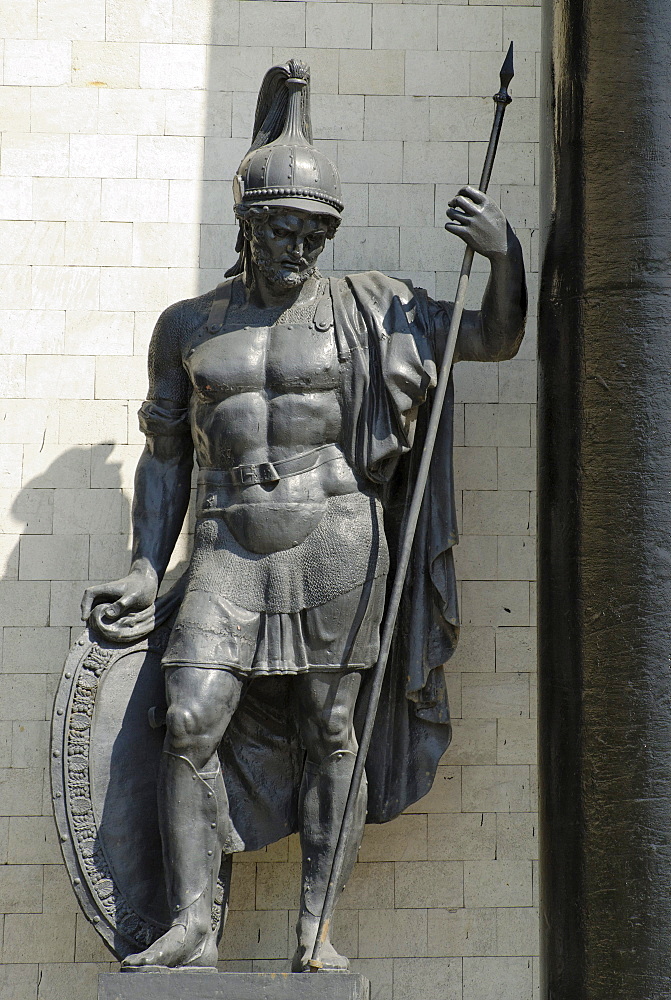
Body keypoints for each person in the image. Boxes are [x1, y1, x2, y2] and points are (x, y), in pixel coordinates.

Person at [81, 60, 526, 972]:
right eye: (283, 229)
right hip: (225, 546)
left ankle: (315, 929)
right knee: (190, 717)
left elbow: (493, 337)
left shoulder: (371, 308)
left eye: (315, 234)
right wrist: (141, 561)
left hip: (336, 542)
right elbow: (167, 458)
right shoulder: (189, 327)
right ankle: (194, 924)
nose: (299, 249)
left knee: (331, 727)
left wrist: (504, 253)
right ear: (248, 225)